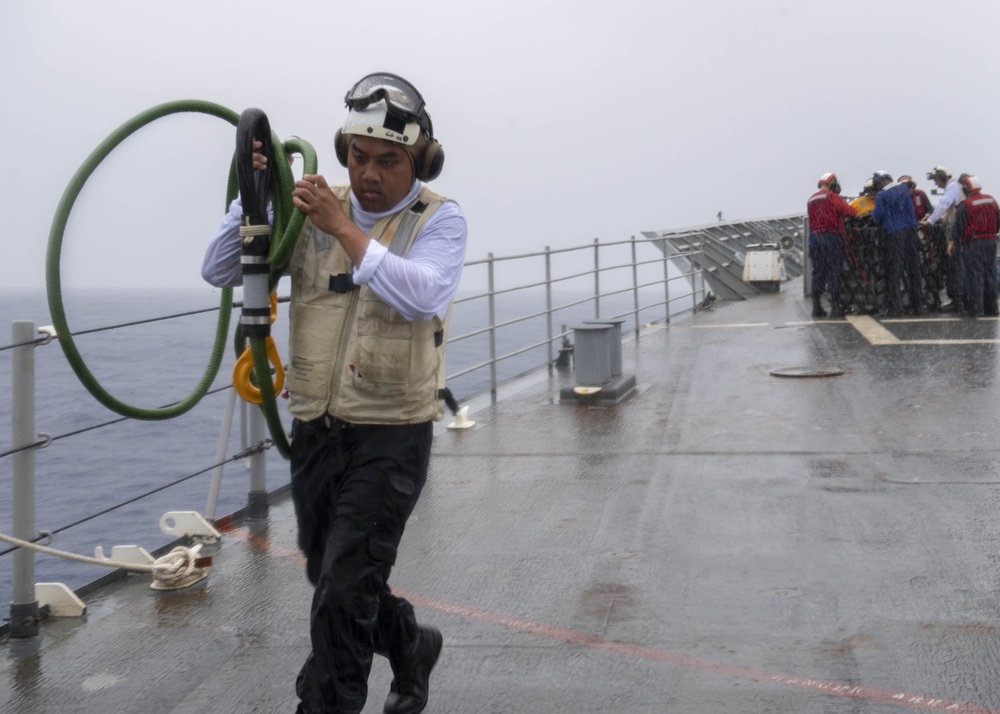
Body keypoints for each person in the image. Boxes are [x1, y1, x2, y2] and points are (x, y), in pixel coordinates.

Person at [203, 72, 468, 714]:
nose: (368, 172)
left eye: (387, 160)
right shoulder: (312, 206)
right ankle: (409, 644)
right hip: (316, 431)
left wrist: (344, 228)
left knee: (344, 594)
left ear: (419, 161)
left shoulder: (439, 220)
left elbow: (423, 293)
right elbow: (218, 269)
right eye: (357, 156)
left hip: (392, 433)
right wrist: (256, 200)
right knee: (333, 575)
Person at [871, 171, 925, 316]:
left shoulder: (881, 195)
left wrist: (873, 212)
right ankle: (918, 305)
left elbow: (877, 217)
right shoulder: (903, 188)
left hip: (894, 234)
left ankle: (896, 308)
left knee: (894, 271)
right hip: (910, 231)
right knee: (913, 269)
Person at [806, 172, 856, 317]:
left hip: (815, 238)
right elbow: (850, 212)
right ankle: (835, 307)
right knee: (835, 270)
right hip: (832, 236)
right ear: (832, 183)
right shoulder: (833, 197)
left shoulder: (811, 199)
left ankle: (817, 307)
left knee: (819, 271)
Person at [950, 174, 999, 317]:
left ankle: (977, 309)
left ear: (966, 189)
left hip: (974, 243)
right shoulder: (991, 200)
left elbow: (958, 227)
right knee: (989, 274)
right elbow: (998, 220)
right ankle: (992, 308)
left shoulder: (966, 205)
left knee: (975, 276)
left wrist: (953, 242)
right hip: (991, 241)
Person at [920, 166, 964, 311]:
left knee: (955, 265)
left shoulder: (951, 187)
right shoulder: (956, 186)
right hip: (959, 229)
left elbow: (944, 205)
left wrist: (930, 221)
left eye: (936, 180)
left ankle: (958, 300)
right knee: (958, 265)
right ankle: (961, 299)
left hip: (954, 231)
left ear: (942, 177)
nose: (935, 183)